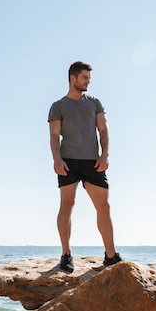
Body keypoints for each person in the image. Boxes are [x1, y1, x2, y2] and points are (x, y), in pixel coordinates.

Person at [48, 61, 122, 273]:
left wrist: (105, 154)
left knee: (104, 207)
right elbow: (54, 136)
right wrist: (56, 159)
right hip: (68, 161)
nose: (88, 81)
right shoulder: (58, 106)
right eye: (85, 78)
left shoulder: (95, 103)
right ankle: (66, 254)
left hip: (93, 161)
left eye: (89, 78)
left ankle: (110, 255)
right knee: (67, 205)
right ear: (73, 78)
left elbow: (103, 130)